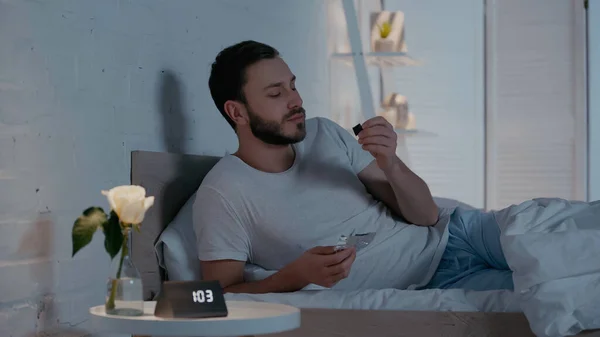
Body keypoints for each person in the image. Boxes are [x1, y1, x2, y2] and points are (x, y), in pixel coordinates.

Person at [192, 40, 512, 294]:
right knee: (555, 298)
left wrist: (391, 163)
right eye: (276, 93)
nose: (296, 100)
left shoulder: (324, 133)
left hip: (458, 233)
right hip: (432, 283)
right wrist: (293, 277)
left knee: (555, 232)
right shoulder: (223, 194)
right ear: (237, 113)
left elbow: (427, 216)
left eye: (292, 85)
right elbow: (220, 294)